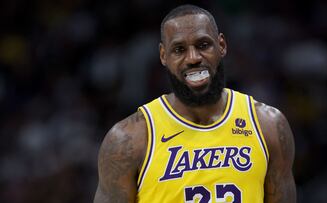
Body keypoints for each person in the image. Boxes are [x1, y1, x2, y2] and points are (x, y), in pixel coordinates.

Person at [94, 4, 296, 203]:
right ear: (164, 56)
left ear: (222, 46)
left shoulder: (267, 125)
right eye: (179, 49)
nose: (193, 58)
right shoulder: (128, 140)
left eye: (203, 45)